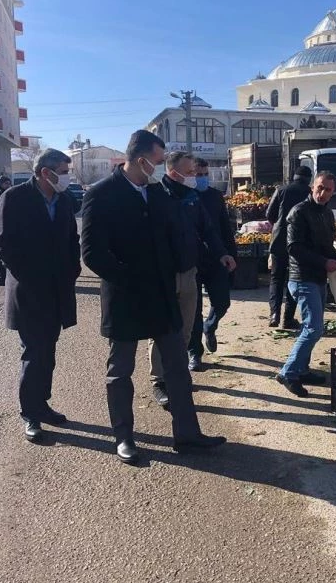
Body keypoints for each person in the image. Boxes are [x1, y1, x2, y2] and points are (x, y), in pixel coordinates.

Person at [81, 130, 226, 464]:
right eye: (158, 162)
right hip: (126, 297)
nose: (160, 168)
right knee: (120, 371)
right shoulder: (102, 194)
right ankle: (124, 437)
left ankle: (187, 435)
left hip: (163, 294)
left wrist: (194, 264)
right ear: (140, 158)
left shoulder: (158, 195)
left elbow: (176, 237)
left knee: (176, 366)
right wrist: (129, 278)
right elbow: (92, 252)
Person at [0, 149, 81, 443]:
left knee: (49, 351)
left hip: (57, 291)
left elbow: (71, 239)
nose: (67, 176)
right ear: (46, 172)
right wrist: (33, 278)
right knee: (34, 353)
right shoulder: (16, 198)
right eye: (64, 171)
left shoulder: (64, 201)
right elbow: (3, 244)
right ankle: (29, 413)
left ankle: (42, 404)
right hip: (30, 292)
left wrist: (72, 270)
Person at [150, 150, 236, 399]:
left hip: (190, 270)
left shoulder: (192, 197)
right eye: (189, 173)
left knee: (186, 328)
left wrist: (223, 253)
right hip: (164, 275)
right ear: (173, 172)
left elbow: (209, 230)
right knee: (163, 329)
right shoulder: (155, 197)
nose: (194, 178)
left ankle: (177, 373)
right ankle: (160, 381)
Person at [276, 171, 336, 397]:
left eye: (327, 189)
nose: (322, 192)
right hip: (302, 279)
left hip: (318, 278)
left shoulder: (327, 214)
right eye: (319, 187)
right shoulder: (298, 212)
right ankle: (288, 373)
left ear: (333, 192)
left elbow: (325, 246)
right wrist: (324, 262)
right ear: (312, 187)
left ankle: (302, 369)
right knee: (314, 328)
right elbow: (294, 248)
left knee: (311, 326)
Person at [187, 157, 238, 370]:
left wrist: (231, 255)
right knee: (193, 310)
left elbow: (226, 229)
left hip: (217, 258)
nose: (202, 179)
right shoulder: (184, 197)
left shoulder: (215, 197)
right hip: (192, 261)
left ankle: (211, 326)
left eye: (205, 174)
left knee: (222, 302)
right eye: (197, 175)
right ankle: (194, 353)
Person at [265, 165, 313, 328]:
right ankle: (288, 319)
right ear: (309, 179)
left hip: (279, 240)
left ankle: (274, 314)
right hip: (300, 243)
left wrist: (280, 224)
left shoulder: (281, 190)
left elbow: (269, 215)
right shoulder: (311, 193)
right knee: (294, 278)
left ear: (294, 177)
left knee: (276, 278)